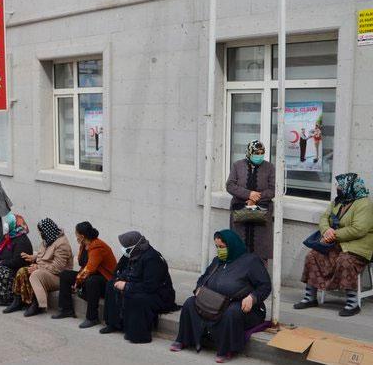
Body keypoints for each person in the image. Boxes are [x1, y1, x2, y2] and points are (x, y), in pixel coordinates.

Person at [171, 230, 271, 362]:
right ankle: (183, 339)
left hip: (242, 304)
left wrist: (253, 297)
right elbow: (203, 278)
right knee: (190, 303)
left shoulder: (251, 261)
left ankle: (226, 349)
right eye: (217, 247)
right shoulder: (217, 261)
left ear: (232, 245)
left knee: (231, 312)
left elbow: (265, 286)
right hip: (215, 300)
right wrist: (199, 288)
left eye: (222, 247)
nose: (219, 250)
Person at [295, 173, 373, 317]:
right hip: (337, 243)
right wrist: (326, 230)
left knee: (345, 261)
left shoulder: (364, 204)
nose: (337, 188)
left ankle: (352, 303)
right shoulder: (338, 201)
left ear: (349, 187)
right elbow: (325, 217)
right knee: (313, 255)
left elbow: (359, 229)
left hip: (358, 246)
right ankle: (310, 297)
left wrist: (334, 235)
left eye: (340, 185)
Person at [101, 231, 178, 343]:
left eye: (125, 246)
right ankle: (114, 324)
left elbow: (150, 286)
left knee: (135, 297)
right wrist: (120, 279)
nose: (123, 249)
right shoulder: (134, 254)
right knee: (111, 285)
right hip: (141, 287)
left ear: (132, 246)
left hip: (159, 295)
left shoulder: (152, 258)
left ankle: (138, 335)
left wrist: (127, 285)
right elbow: (128, 272)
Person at [3, 218, 73, 316]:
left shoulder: (62, 244)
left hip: (58, 276)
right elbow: (44, 255)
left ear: (47, 231)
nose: (40, 234)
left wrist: (38, 267)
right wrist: (33, 257)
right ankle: (18, 301)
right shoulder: (48, 239)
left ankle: (38, 304)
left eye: (41, 232)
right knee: (22, 271)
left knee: (36, 274)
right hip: (46, 271)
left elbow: (58, 268)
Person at [53, 222, 117, 328]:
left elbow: (89, 269)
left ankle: (92, 317)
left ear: (82, 236)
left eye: (76, 234)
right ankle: (66, 309)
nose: (76, 236)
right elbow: (83, 265)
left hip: (105, 280)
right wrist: (78, 280)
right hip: (91, 275)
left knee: (92, 281)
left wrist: (77, 282)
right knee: (65, 275)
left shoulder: (97, 246)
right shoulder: (84, 245)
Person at [226, 140, 275, 260]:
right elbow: (230, 185)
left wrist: (256, 198)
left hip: (261, 212)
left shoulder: (270, 167)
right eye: (256, 153)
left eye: (261, 153)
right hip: (240, 210)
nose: (259, 156)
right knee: (239, 246)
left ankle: (258, 276)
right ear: (249, 153)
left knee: (260, 249)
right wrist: (249, 194)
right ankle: (239, 276)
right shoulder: (237, 165)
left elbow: (273, 189)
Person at [0, 213, 33, 306]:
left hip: (15, 268)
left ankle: (5, 298)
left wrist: (1, 263)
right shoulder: (6, 236)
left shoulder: (22, 240)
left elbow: (18, 261)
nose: (6, 225)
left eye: (9, 223)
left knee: (2, 272)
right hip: (2, 263)